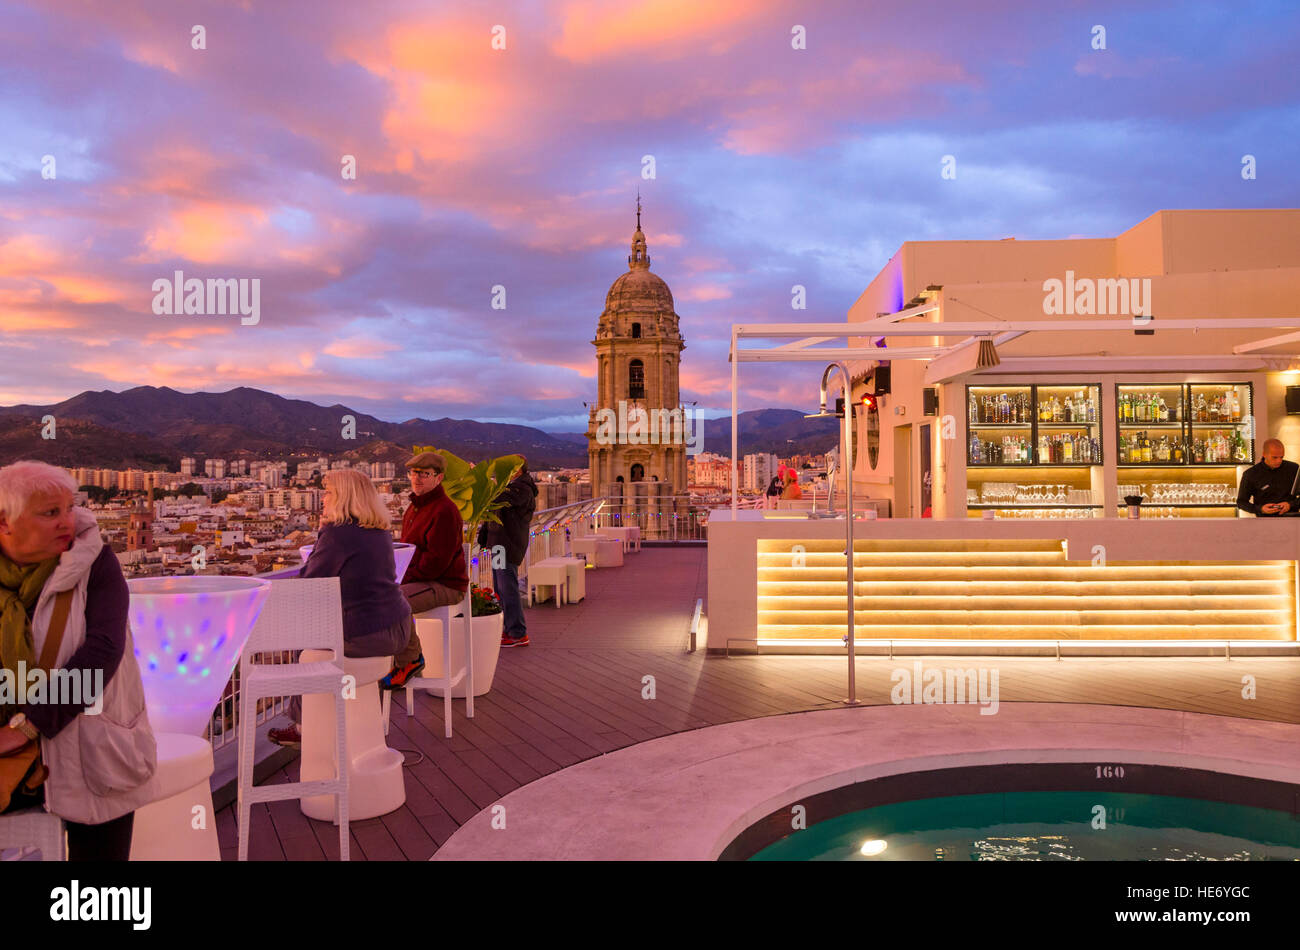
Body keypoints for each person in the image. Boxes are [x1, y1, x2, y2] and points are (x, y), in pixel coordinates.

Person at [0, 461, 159, 860]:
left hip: (95, 754)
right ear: (5, 523)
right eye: (50, 512)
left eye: (69, 508)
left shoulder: (97, 564)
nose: (66, 521)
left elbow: (102, 651)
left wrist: (29, 725)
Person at [269, 469, 415, 747]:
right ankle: (334, 729)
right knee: (314, 639)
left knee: (306, 646)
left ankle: (303, 729)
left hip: (371, 633)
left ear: (344, 497)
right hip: (397, 627)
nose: (323, 499)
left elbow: (311, 583)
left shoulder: (338, 534)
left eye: (328, 492)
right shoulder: (378, 529)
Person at [380, 451, 468, 690]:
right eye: (413, 473)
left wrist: (400, 578)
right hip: (422, 580)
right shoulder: (414, 508)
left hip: (447, 585)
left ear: (438, 478)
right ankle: (393, 663)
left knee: (393, 601)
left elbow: (435, 564)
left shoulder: (444, 511)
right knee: (381, 597)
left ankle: (410, 661)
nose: (417, 478)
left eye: (424, 474)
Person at [477, 460, 537, 647]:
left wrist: (483, 481)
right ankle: (508, 629)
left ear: (517, 469)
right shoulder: (514, 487)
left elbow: (496, 500)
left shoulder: (522, 489)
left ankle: (517, 632)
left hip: (505, 545)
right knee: (501, 588)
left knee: (507, 588)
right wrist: (485, 537)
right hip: (500, 544)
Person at [1236, 439, 1300, 517]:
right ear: (1264, 454)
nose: (1279, 461)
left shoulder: (1294, 469)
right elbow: (1241, 502)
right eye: (1275, 457)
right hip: (1264, 521)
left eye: (1281, 457)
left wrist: (1290, 505)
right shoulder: (1251, 474)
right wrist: (1261, 509)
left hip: (1292, 519)